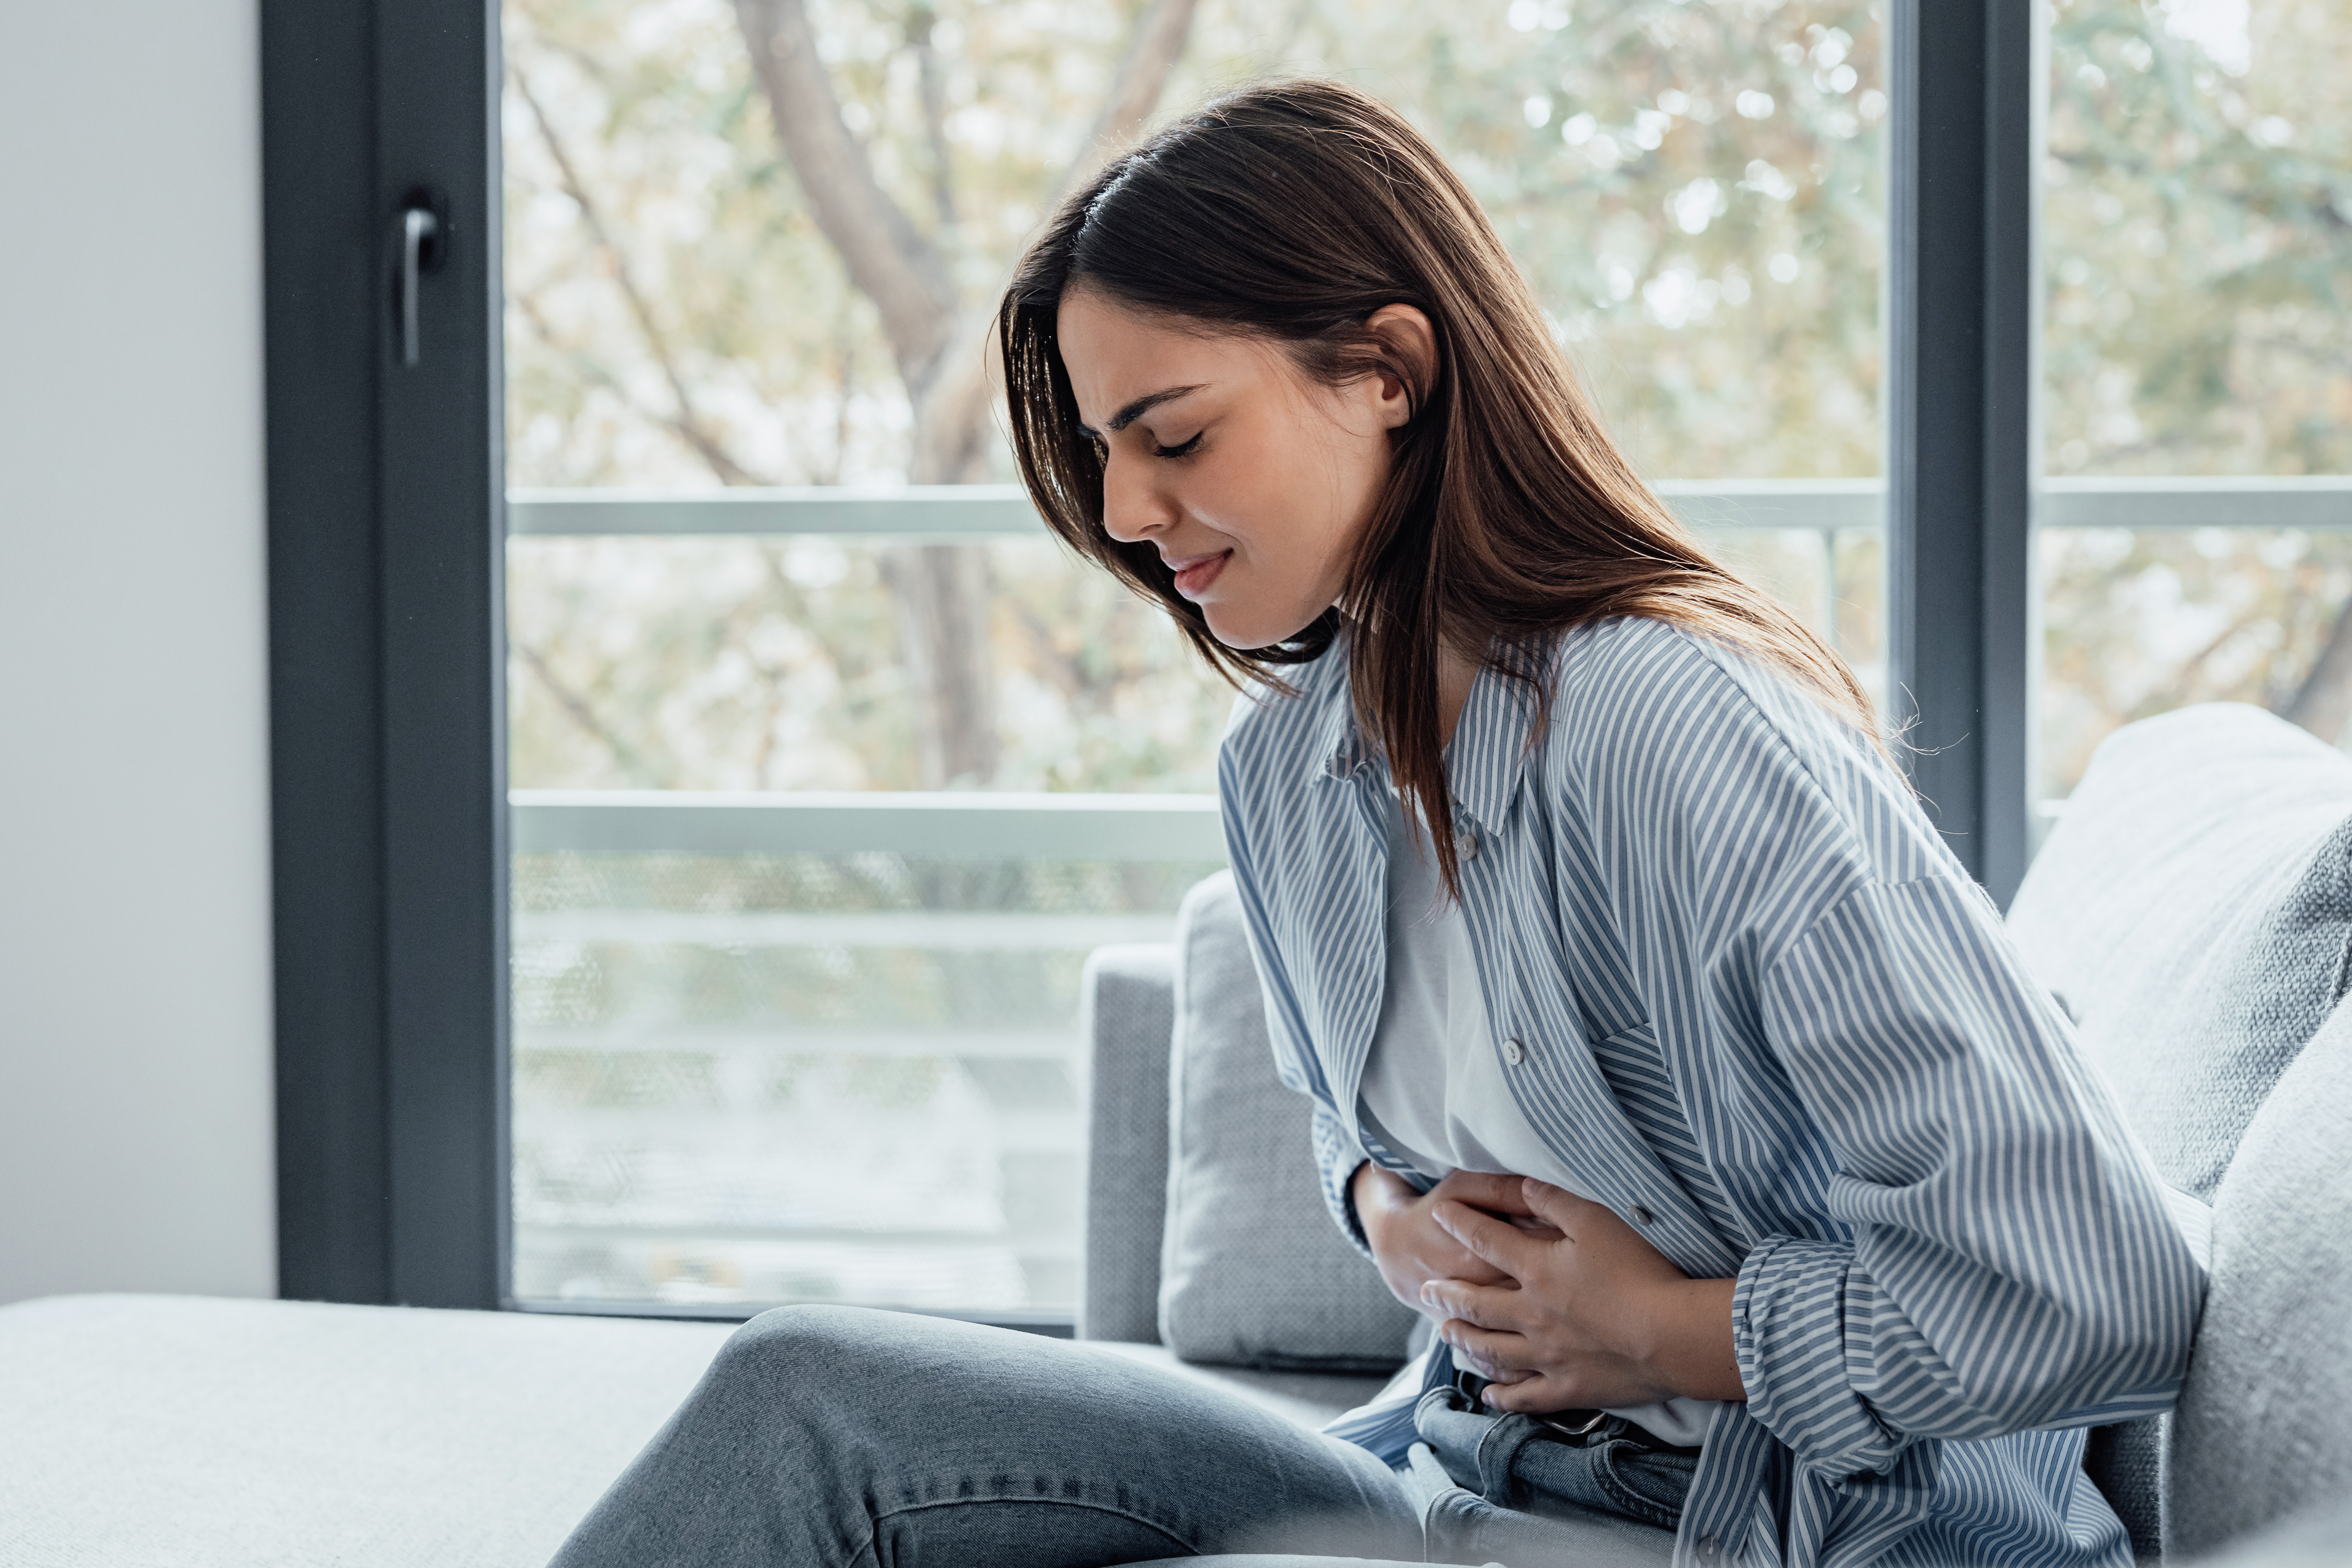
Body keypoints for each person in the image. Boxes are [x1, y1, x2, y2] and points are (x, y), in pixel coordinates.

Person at [547, 79, 2204, 1568]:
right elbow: (1366, 1121)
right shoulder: (1285, 776)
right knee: (809, 1399)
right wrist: (1387, 1219)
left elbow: (2098, 1284)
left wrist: (1664, 1333)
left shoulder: (1666, 725)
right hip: (1448, 1481)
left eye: (1175, 435)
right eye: (1105, 457)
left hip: (1780, 1532)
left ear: (1390, 369)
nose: (1126, 520)